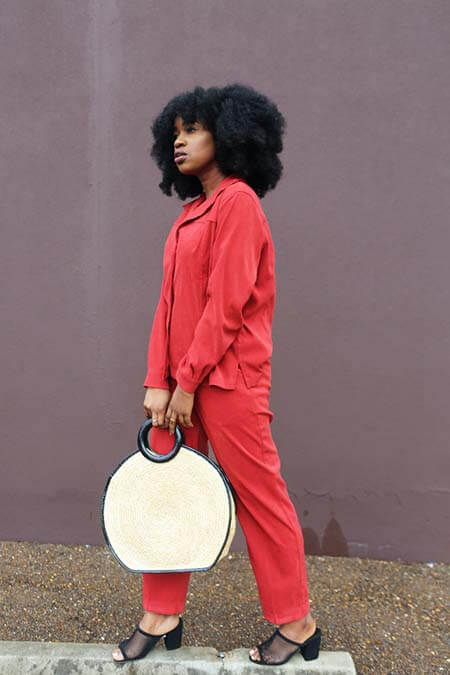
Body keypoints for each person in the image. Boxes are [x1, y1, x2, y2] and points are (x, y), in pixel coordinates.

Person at [112, 83, 321, 666]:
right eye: (174, 133)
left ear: (229, 138)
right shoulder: (189, 215)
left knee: (259, 500)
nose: (179, 141)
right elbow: (169, 306)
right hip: (179, 388)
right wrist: (159, 380)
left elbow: (226, 306)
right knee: (168, 493)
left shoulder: (239, 204)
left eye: (193, 130)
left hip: (227, 383)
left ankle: (297, 622)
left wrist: (186, 382)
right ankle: (162, 613)